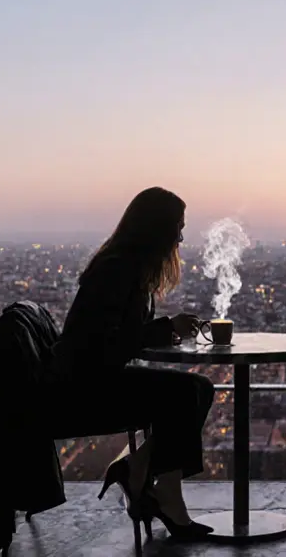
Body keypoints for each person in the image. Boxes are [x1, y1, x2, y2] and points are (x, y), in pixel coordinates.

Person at [45, 187, 215, 541]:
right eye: (177, 227)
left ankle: (135, 468)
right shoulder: (118, 270)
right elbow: (105, 345)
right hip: (85, 387)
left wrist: (163, 328)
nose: (181, 236)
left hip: (93, 377)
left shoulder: (124, 266)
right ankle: (164, 495)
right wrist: (164, 329)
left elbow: (117, 336)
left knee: (199, 388)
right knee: (186, 393)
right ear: (157, 229)